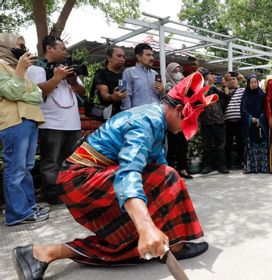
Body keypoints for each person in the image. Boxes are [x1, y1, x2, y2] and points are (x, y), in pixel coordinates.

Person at [12, 73, 217, 279]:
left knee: (132, 238)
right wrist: (146, 226)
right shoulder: (147, 121)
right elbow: (129, 172)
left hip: (90, 177)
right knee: (163, 188)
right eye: (192, 119)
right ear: (180, 110)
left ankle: (42, 253)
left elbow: (156, 168)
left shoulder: (156, 121)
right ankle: (174, 244)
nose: (191, 127)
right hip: (81, 178)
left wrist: (159, 219)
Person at [27, 35, 86, 205]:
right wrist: (56, 78)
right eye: (63, 48)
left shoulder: (67, 68)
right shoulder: (36, 68)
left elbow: (82, 92)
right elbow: (39, 93)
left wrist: (73, 81)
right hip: (50, 123)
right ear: (49, 48)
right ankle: (53, 196)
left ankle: (73, 191)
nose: (66, 52)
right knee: (51, 162)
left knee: (73, 161)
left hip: (73, 124)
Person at [0, 33, 49, 225]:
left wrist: (22, 92)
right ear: (6, 45)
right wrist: (20, 71)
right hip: (14, 122)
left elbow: (38, 95)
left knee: (26, 168)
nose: (23, 49)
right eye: (20, 45)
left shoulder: (16, 68)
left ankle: (28, 208)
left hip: (30, 120)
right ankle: (17, 214)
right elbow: (12, 92)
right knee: (15, 169)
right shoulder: (3, 66)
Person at [165, 62, 192, 179]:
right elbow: (170, 100)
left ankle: (183, 168)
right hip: (172, 119)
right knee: (172, 145)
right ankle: (171, 170)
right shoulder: (168, 85)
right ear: (170, 73)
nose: (178, 73)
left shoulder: (185, 86)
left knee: (183, 145)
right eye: (175, 71)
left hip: (184, 118)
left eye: (179, 71)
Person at [199, 69, 228, 174]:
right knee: (207, 146)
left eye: (211, 75)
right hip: (206, 121)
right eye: (209, 76)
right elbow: (201, 98)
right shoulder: (199, 88)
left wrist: (225, 86)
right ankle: (207, 166)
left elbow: (226, 97)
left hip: (218, 120)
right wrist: (208, 85)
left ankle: (221, 166)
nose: (211, 77)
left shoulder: (215, 88)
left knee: (220, 145)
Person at [121, 43, 164, 110]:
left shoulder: (155, 74)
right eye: (148, 55)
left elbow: (161, 97)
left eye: (152, 55)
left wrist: (162, 91)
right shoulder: (128, 72)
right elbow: (125, 95)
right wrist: (127, 114)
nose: (152, 58)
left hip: (156, 113)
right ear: (138, 57)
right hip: (139, 115)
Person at [240, 74, 269, 173]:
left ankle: (263, 167)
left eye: (254, 82)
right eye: (250, 83)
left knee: (262, 144)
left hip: (261, 124)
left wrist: (260, 120)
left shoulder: (263, 95)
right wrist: (250, 118)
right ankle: (251, 168)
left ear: (258, 82)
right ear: (248, 84)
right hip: (250, 124)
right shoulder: (245, 96)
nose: (253, 84)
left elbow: (266, 109)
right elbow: (243, 109)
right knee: (250, 145)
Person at [91, 46, 127, 118]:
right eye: (119, 56)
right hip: (108, 115)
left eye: (123, 57)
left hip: (124, 114)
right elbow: (104, 95)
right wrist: (113, 97)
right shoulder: (101, 73)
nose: (122, 59)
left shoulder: (125, 74)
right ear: (109, 58)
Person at [223, 71, 245, 169]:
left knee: (241, 143)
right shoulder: (223, 92)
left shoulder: (242, 90)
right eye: (229, 80)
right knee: (228, 143)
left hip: (240, 121)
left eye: (234, 79)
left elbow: (251, 88)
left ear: (237, 81)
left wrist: (243, 80)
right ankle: (227, 163)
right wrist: (225, 89)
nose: (232, 81)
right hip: (228, 122)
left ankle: (240, 162)